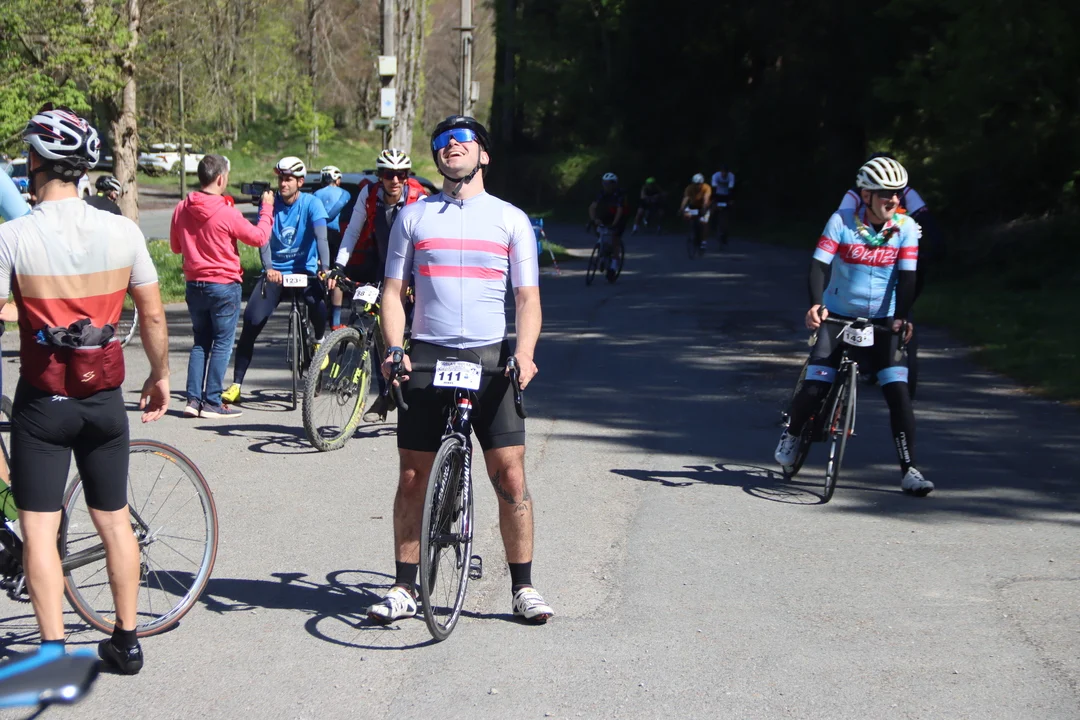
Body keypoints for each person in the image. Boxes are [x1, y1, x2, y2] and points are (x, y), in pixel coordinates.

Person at [0, 105, 170, 674]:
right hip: (103, 399)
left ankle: (53, 656)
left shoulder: (13, 237)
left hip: (43, 403)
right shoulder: (122, 230)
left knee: (39, 531)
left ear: (36, 162)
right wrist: (160, 375)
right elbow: (153, 314)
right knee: (114, 519)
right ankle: (127, 641)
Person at [369, 115, 553, 625]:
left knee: (510, 476)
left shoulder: (510, 219)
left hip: (491, 357)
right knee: (413, 477)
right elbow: (391, 293)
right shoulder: (414, 217)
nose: (451, 146)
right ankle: (404, 587)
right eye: (441, 142)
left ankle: (523, 587)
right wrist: (394, 348)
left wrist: (525, 352)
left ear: (483, 155)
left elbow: (527, 298)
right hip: (429, 354)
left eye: (462, 140)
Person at [774, 156, 933, 497]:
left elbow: (908, 277)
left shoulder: (905, 227)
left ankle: (909, 470)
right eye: (885, 193)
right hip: (837, 315)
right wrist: (816, 304)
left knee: (898, 393)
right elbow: (819, 265)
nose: (893, 199)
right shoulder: (842, 221)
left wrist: (902, 315)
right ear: (866, 195)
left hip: (883, 319)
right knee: (815, 385)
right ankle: (793, 433)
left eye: (898, 193)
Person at [170, 154, 275, 418]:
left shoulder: (182, 208)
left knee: (200, 342)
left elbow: (175, 247)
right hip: (224, 284)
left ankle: (193, 400)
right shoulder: (226, 212)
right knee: (222, 343)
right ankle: (212, 402)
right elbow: (259, 237)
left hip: (194, 283)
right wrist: (266, 209)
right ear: (220, 179)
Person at [221, 157, 330, 405]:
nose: (283, 184)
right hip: (276, 274)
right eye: (280, 179)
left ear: (300, 182)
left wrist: (325, 268)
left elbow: (321, 238)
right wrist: (269, 268)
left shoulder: (312, 203)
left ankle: (318, 341)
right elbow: (263, 238)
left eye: (288, 179)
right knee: (251, 321)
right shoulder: (269, 203)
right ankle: (237, 384)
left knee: (318, 302)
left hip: (304, 271)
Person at [329, 148, 426, 422]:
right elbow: (352, 231)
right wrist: (339, 266)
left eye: (401, 175)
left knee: (415, 334)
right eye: (387, 174)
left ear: (407, 176)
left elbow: (425, 245)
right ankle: (385, 394)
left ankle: (416, 396)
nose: (394, 180)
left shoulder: (419, 200)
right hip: (383, 266)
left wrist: (416, 283)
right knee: (376, 327)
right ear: (379, 175)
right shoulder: (369, 194)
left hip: (413, 270)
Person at [836, 152, 943, 398]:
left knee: (915, 273)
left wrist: (937, 244)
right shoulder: (855, 194)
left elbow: (925, 218)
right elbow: (843, 221)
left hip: (898, 251)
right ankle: (859, 352)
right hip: (865, 252)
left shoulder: (906, 192)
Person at [588, 172, 628, 280]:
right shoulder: (602, 193)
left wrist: (614, 224)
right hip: (607, 215)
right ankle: (602, 251)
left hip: (620, 217)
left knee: (615, 239)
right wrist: (594, 219)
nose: (606, 186)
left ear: (614, 184)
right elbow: (592, 207)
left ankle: (613, 266)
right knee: (600, 230)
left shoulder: (619, 194)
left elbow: (620, 210)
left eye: (608, 183)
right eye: (604, 183)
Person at [314, 165, 350, 261]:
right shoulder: (345, 193)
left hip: (319, 231)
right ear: (336, 179)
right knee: (336, 261)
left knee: (322, 261)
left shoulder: (316, 193)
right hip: (335, 233)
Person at [679, 173, 712, 251]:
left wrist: (704, 207)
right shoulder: (689, 188)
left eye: (699, 184)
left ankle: (703, 242)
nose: (697, 186)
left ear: (702, 183)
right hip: (693, 206)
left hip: (704, 207)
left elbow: (706, 198)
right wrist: (682, 207)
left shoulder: (706, 187)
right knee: (686, 215)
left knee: (704, 223)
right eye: (695, 184)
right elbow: (686, 198)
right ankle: (691, 229)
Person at [710, 165, 735, 244]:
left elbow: (731, 189)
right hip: (717, 194)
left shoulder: (731, 176)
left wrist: (731, 200)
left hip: (726, 195)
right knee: (713, 208)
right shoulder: (715, 176)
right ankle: (713, 223)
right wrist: (713, 200)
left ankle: (725, 232)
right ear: (720, 172)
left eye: (725, 172)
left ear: (728, 172)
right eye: (723, 172)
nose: (724, 174)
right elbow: (713, 189)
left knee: (728, 211)